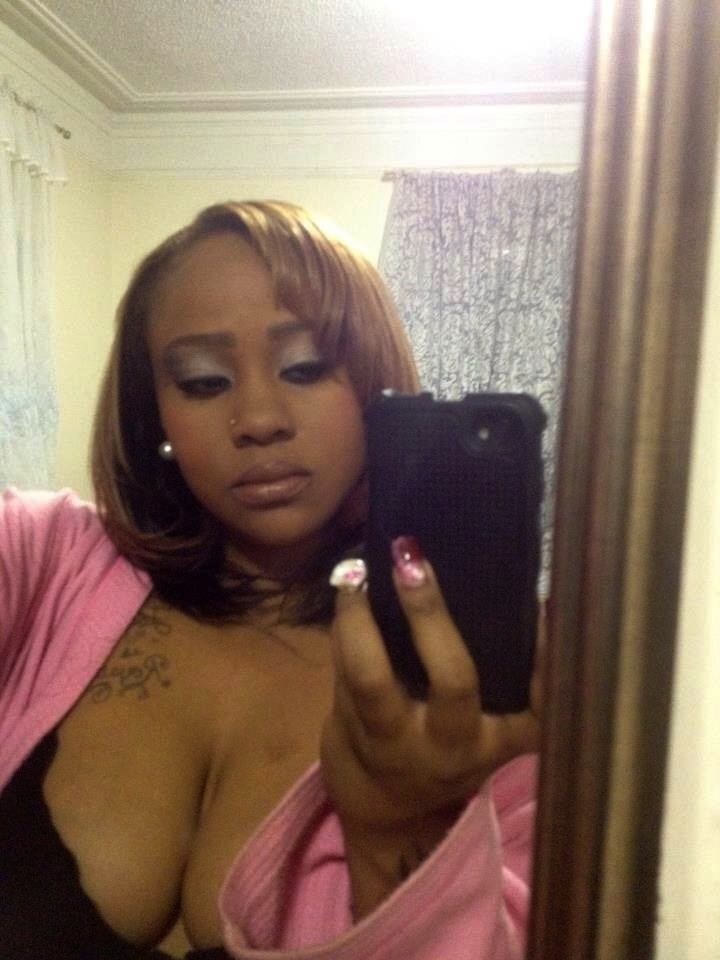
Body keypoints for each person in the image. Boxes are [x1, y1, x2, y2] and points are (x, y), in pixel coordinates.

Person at [0, 200, 540, 959]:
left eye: (306, 366)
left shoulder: (479, 673)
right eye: (202, 381)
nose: (257, 417)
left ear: (378, 390)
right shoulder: (45, 561)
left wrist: (399, 828)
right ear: (155, 415)